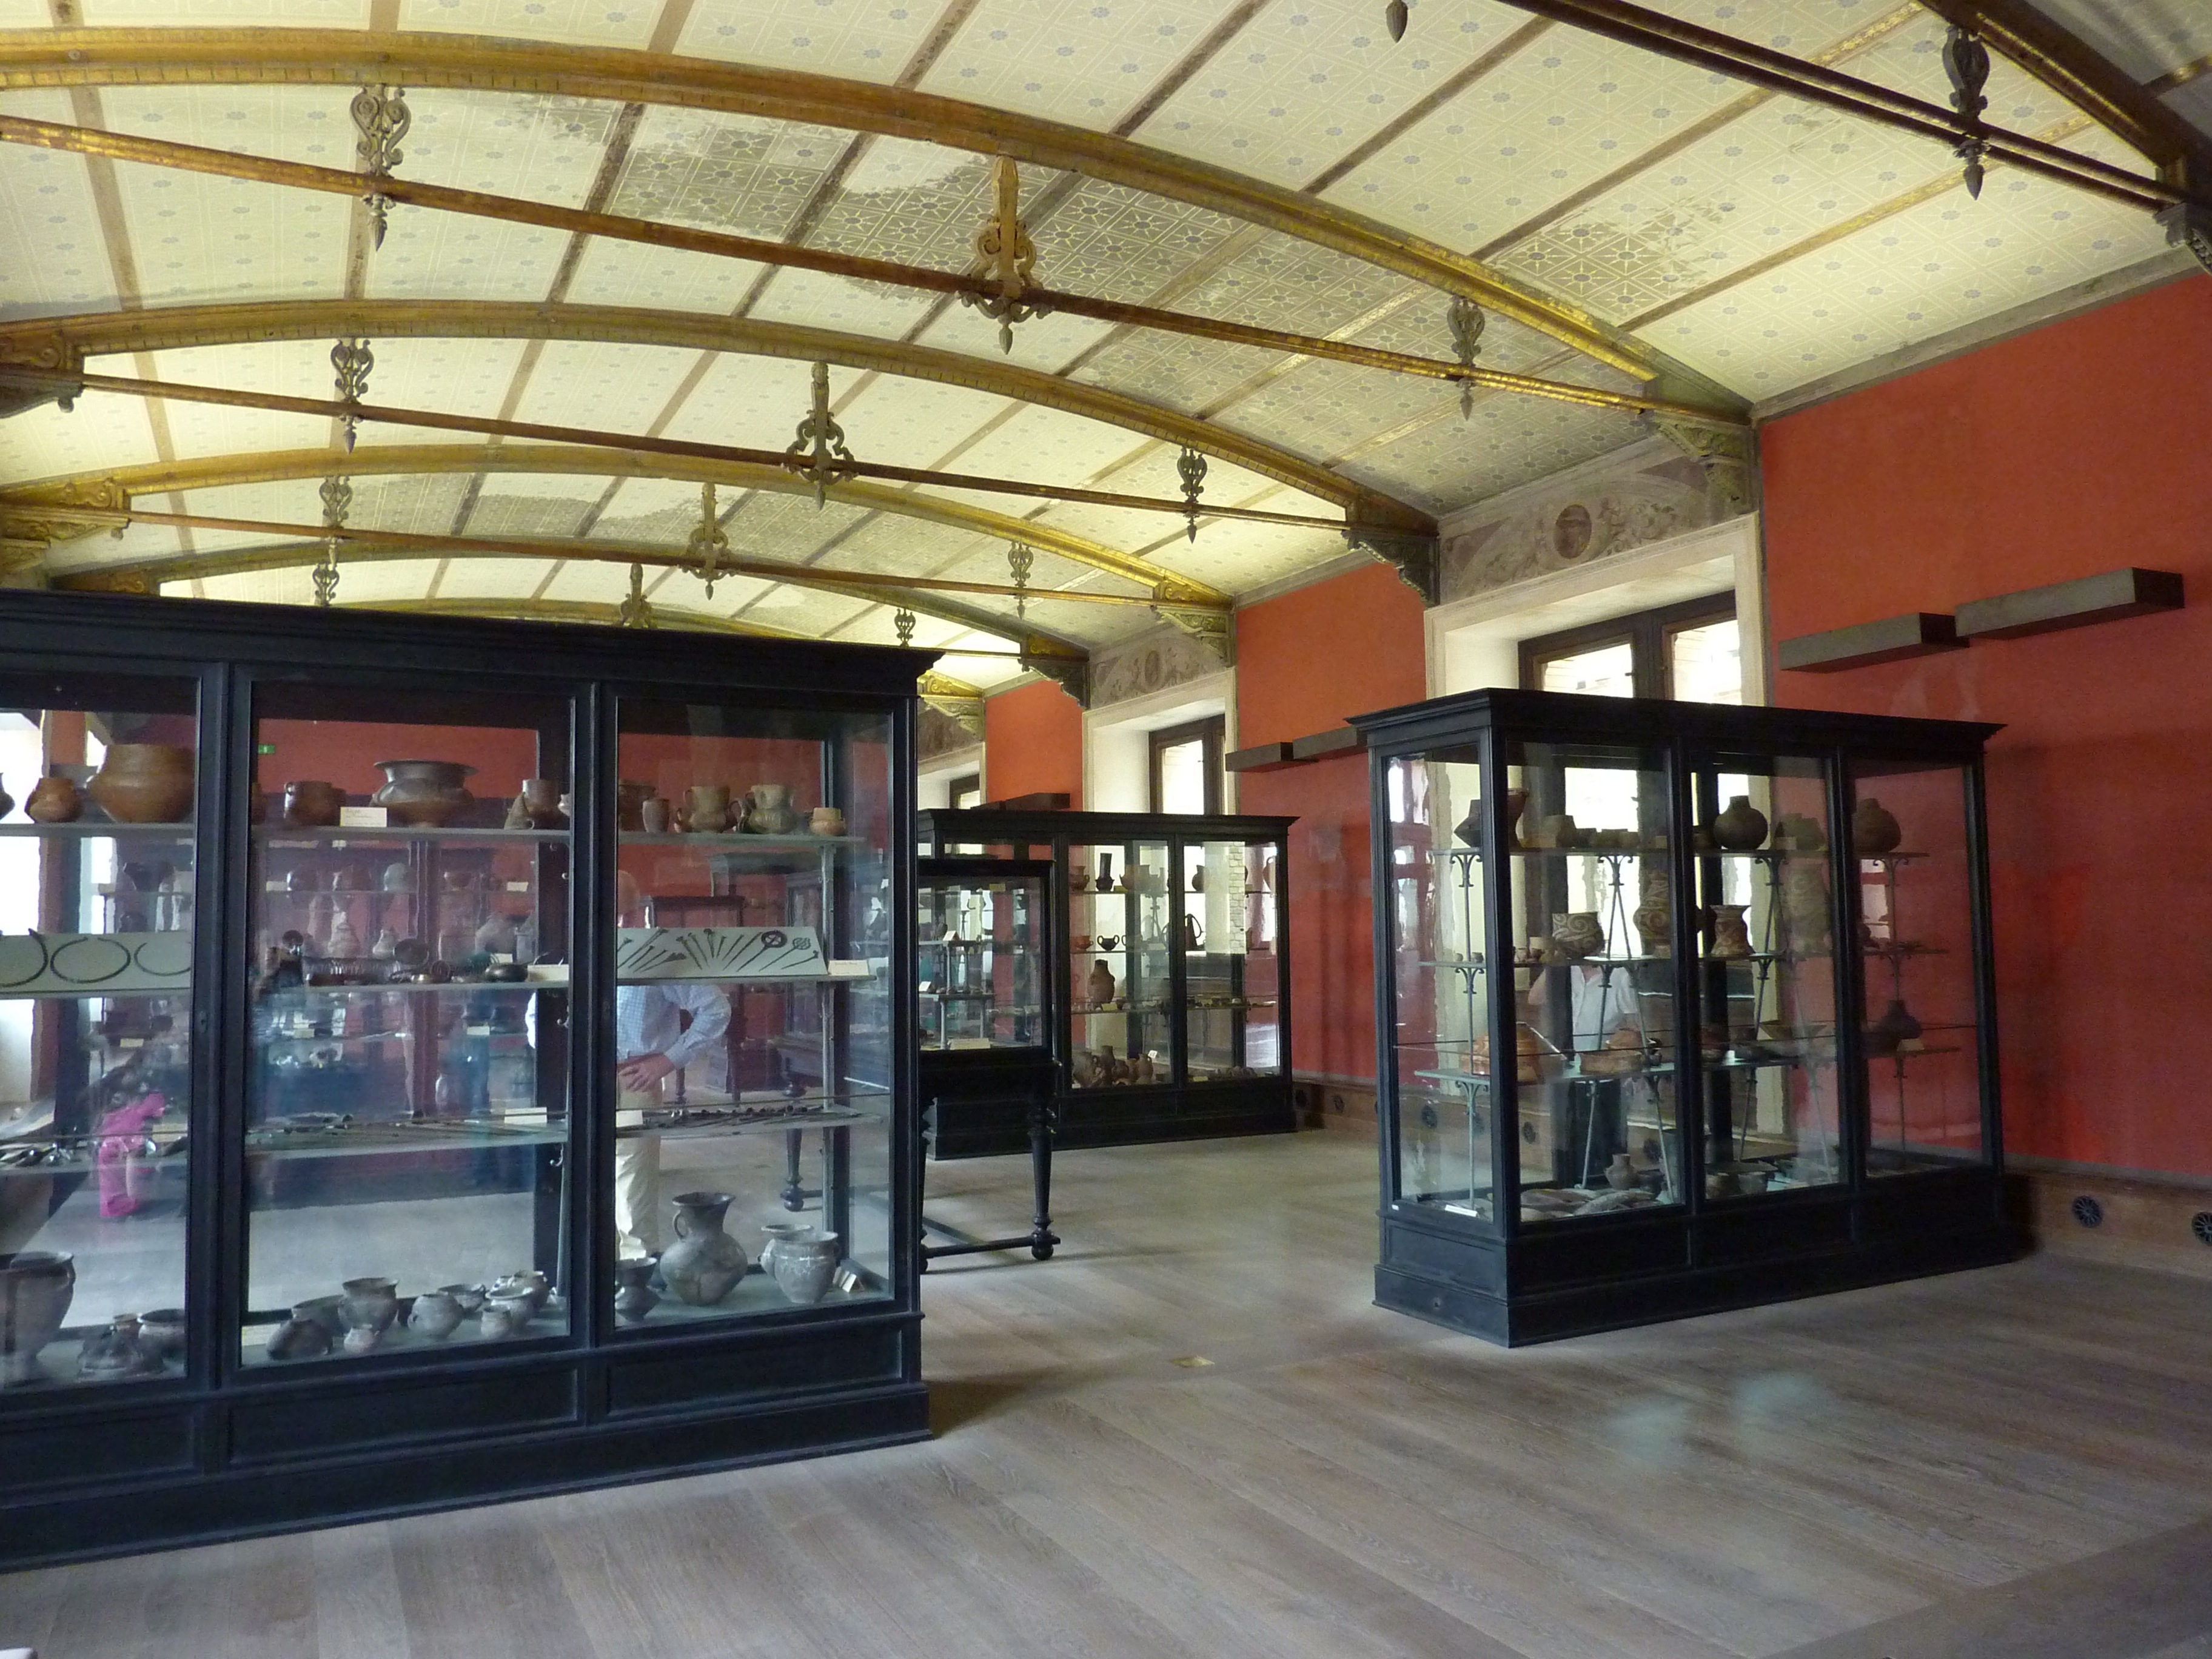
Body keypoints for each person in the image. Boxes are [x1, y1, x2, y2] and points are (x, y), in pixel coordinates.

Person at [614, 871, 730, 1259]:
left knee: (633, 1182)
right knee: (581, 1172)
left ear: (640, 913)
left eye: (627, 915)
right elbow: (537, 1013)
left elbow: (715, 1009)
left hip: (634, 1079)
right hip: (579, 1076)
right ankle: (592, 1268)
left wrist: (668, 1060)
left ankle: (636, 1268)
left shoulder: (660, 955)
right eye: (611, 916)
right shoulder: (573, 948)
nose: (620, 926)